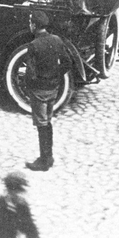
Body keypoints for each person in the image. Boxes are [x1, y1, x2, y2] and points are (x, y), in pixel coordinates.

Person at [23, 9, 71, 171]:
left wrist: (31, 85)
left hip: (39, 90)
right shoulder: (57, 40)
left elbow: (30, 72)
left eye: (31, 23)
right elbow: (67, 62)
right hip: (54, 87)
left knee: (41, 123)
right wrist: (56, 75)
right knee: (47, 122)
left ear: (35, 26)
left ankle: (44, 160)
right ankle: (48, 156)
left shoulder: (33, 45)